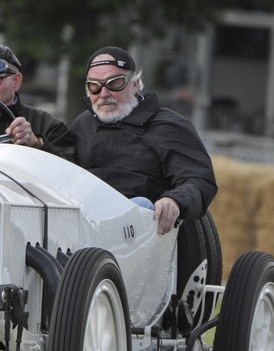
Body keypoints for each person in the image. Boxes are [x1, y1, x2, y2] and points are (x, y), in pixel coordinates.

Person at [71, 46, 216, 236]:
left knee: (141, 204)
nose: (104, 94)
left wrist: (174, 201)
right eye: (94, 86)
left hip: (142, 231)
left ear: (135, 84)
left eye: (115, 83)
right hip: (83, 223)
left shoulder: (170, 126)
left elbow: (198, 179)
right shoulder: (83, 125)